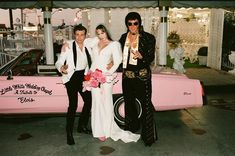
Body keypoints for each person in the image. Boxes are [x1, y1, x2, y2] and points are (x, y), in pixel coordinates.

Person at [86, 24, 140, 143]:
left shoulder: (114, 44)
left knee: (106, 103)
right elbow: (81, 41)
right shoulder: (95, 42)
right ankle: (98, 131)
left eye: (102, 33)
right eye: (98, 33)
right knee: (96, 103)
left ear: (106, 32)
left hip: (106, 78)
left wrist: (106, 74)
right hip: (93, 76)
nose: (100, 36)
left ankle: (107, 130)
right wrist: (66, 43)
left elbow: (117, 61)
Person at [119, 12, 158, 146]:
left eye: (135, 23)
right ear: (127, 24)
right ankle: (131, 128)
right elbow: (117, 54)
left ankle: (148, 137)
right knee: (129, 105)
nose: (133, 26)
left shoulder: (148, 38)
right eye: (130, 23)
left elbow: (151, 56)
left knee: (146, 106)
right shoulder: (123, 37)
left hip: (142, 77)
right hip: (127, 77)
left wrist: (142, 57)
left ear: (139, 23)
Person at [55, 24, 92, 145]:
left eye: (82, 35)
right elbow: (59, 61)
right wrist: (61, 67)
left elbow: (100, 39)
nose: (79, 37)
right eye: (77, 35)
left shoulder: (88, 45)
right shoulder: (68, 46)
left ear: (85, 35)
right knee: (73, 105)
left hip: (83, 77)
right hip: (71, 78)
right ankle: (69, 133)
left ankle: (82, 126)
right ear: (74, 35)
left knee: (89, 101)